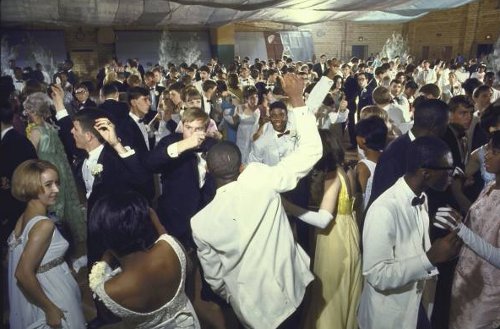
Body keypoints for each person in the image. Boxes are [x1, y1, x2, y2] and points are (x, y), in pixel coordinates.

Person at [191, 74, 321, 329]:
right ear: (241, 167)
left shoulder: (200, 223)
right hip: (292, 291)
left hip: (252, 311)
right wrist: (296, 98)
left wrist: (236, 296)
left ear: (208, 170)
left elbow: (214, 278)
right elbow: (311, 152)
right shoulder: (260, 176)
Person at [358, 136, 462, 329]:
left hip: (416, 306)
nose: (452, 175)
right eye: (447, 170)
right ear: (426, 173)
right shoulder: (384, 210)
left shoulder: (422, 197)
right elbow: (376, 275)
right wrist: (430, 258)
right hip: (391, 315)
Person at [283, 129, 362, 329]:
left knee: (328, 294)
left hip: (334, 238)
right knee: (342, 290)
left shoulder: (332, 175)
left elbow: (323, 220)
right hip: (347, 233)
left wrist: (289, 207)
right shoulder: (345, 170)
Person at [88, 191, 201, 329]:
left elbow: (108, 316)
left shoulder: (110, 290)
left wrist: (106, 258)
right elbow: (168, 241)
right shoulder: (170, 249)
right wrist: (156, 223)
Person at [8, 159, 86, 329]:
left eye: (57, 183)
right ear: (30, 185)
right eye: (49, 184)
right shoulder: (44, 225)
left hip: (44, 289)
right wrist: (49, 308)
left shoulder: (22, 219)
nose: (56, 190)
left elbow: (10, 259)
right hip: (54, 293)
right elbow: (22, 273)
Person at [445, 131, 500, 329]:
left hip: (487, 291)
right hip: (466, 280)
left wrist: (462, 232)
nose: (487, 155)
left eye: (494, 151)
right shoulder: (491, 186)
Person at [23, 92, 87, 246]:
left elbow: (31, 156)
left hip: (45, 173)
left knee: (53, 205)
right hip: (61, 170)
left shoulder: (35, 132)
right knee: (64, 202)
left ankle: (56, 240)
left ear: (32, 111)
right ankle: (70, 237)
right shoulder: (51, 127)